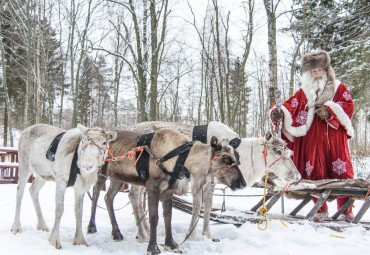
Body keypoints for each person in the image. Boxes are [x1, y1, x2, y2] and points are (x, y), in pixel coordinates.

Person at [270, 50, 355, 223]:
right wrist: (278, 113)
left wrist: (330, 111)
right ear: (309, 72)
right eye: (313, 70)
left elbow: (348, 105)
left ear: (325, 69)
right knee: (315, 172)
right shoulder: (303, 92)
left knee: (342, 172)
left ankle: (346, 211)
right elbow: (289, 106)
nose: (316, 73)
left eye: (319, 69)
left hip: (335, 139)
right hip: (312, 142)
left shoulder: (338, 87)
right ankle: (320, 210)